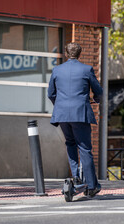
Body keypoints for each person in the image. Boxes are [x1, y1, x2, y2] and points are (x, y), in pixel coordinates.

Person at [48, 42, 103, 197]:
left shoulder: (57, 70)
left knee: (70, 143)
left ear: (66, 54)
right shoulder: (87, 69)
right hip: (80, 113)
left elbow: (50, 93)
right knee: (85, 148)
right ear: (80, 54)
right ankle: (92, 186)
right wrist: (96, 99)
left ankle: (76, 177)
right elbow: (98, 91)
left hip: (63, 114)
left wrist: (60, 105)